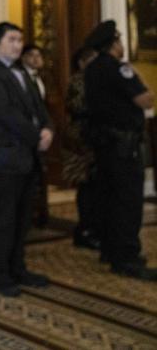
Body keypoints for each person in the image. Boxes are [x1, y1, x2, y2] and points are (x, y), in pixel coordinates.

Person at [0, 22, 53, 297]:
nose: (18, 45)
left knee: (23, 218)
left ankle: (18, 267)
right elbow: (3, 113)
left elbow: (39, 107)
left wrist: (48, 129)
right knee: (3, 219)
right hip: (4, 158)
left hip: (27, 158)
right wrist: (36, 136)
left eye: (20, 39)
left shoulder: (21, 71)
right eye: (11, 39)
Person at [83, 19, 156, 280]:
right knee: (128, 202)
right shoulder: (119, 69)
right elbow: (145, 99)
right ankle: (126, 257)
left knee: (109, 198)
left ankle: (110, 251)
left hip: (104, 145)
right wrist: (140, 78)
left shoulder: (91, 69)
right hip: (125, 147)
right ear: (114, 44)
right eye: (120, 41)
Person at [62, 46, 101, 250]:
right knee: (86, 185)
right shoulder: (78, 81)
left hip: (94, 138)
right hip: (81, 139)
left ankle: (95, 228)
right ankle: (85, 229)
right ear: (82, 63)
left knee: (96, 186)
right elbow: (78, 106)